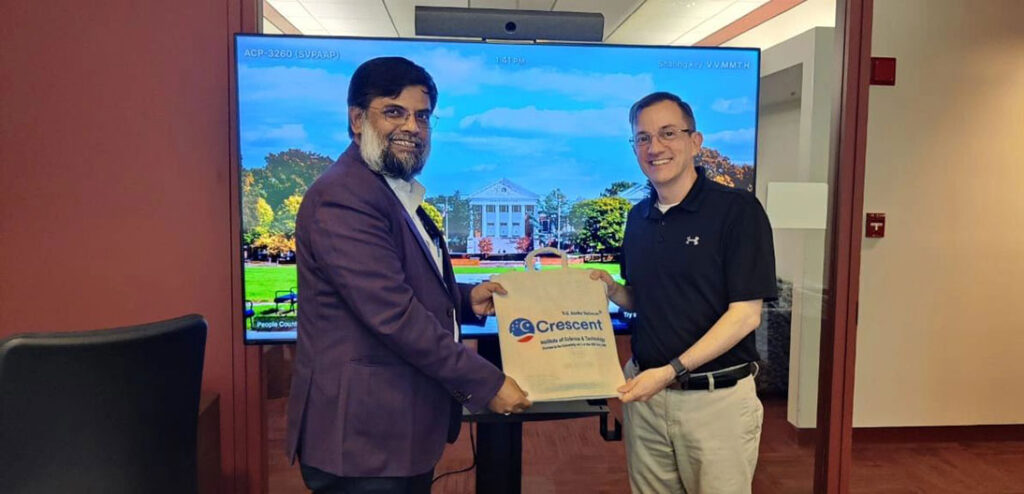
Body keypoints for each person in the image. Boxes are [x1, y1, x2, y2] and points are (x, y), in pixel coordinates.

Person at [286, 57, 531, 494]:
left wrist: (465, 299)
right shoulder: (344, 197)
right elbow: (394, 315)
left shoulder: (386, 189)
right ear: (357, 120)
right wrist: (487, 382)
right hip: (362, 441)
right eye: (394, 112)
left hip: (391, 429)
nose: (412, 127)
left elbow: (400, 282)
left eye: (422, 116)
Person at [590, 91, 777, 494]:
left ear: (695, 141)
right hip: (646, 400)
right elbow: (644, 298)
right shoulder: (638, 218)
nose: (654, 147)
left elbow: (745, 315)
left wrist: (671, 370)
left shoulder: (738, 211)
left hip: (715, 402)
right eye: (643, 138)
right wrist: (613, 291)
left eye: (668, 133)